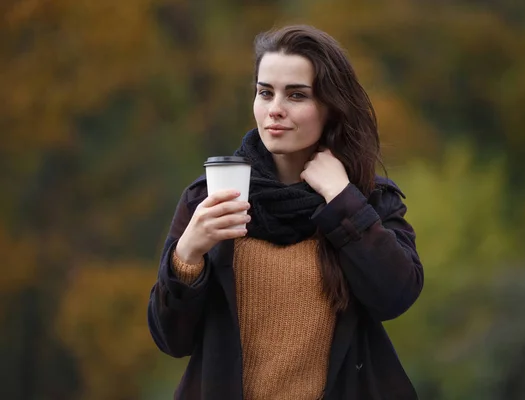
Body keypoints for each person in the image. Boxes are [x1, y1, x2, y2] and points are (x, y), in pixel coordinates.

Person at [147, 25, 424, 400]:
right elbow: (171, 340)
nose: (275, 109)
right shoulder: (210, 198)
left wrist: (341, 198)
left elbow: (396, 295)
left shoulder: (365, 200)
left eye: (296, 95)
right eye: (265, 93)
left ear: (331, 107)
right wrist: (187, 255)